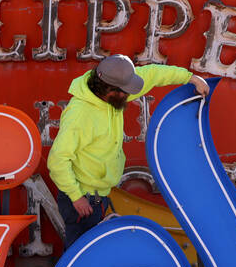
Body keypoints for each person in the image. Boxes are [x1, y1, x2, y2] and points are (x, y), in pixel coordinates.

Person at [47, 54, 209, 249]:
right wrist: (76, 197)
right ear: (109, 89)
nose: (129, 96)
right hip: (82, 201)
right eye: (125, 92)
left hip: (98, 195)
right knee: (81, 260)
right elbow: (57, 160)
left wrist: (191, 78)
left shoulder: (113, 93)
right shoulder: (79, 115)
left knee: (94, 255)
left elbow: (153, 74)